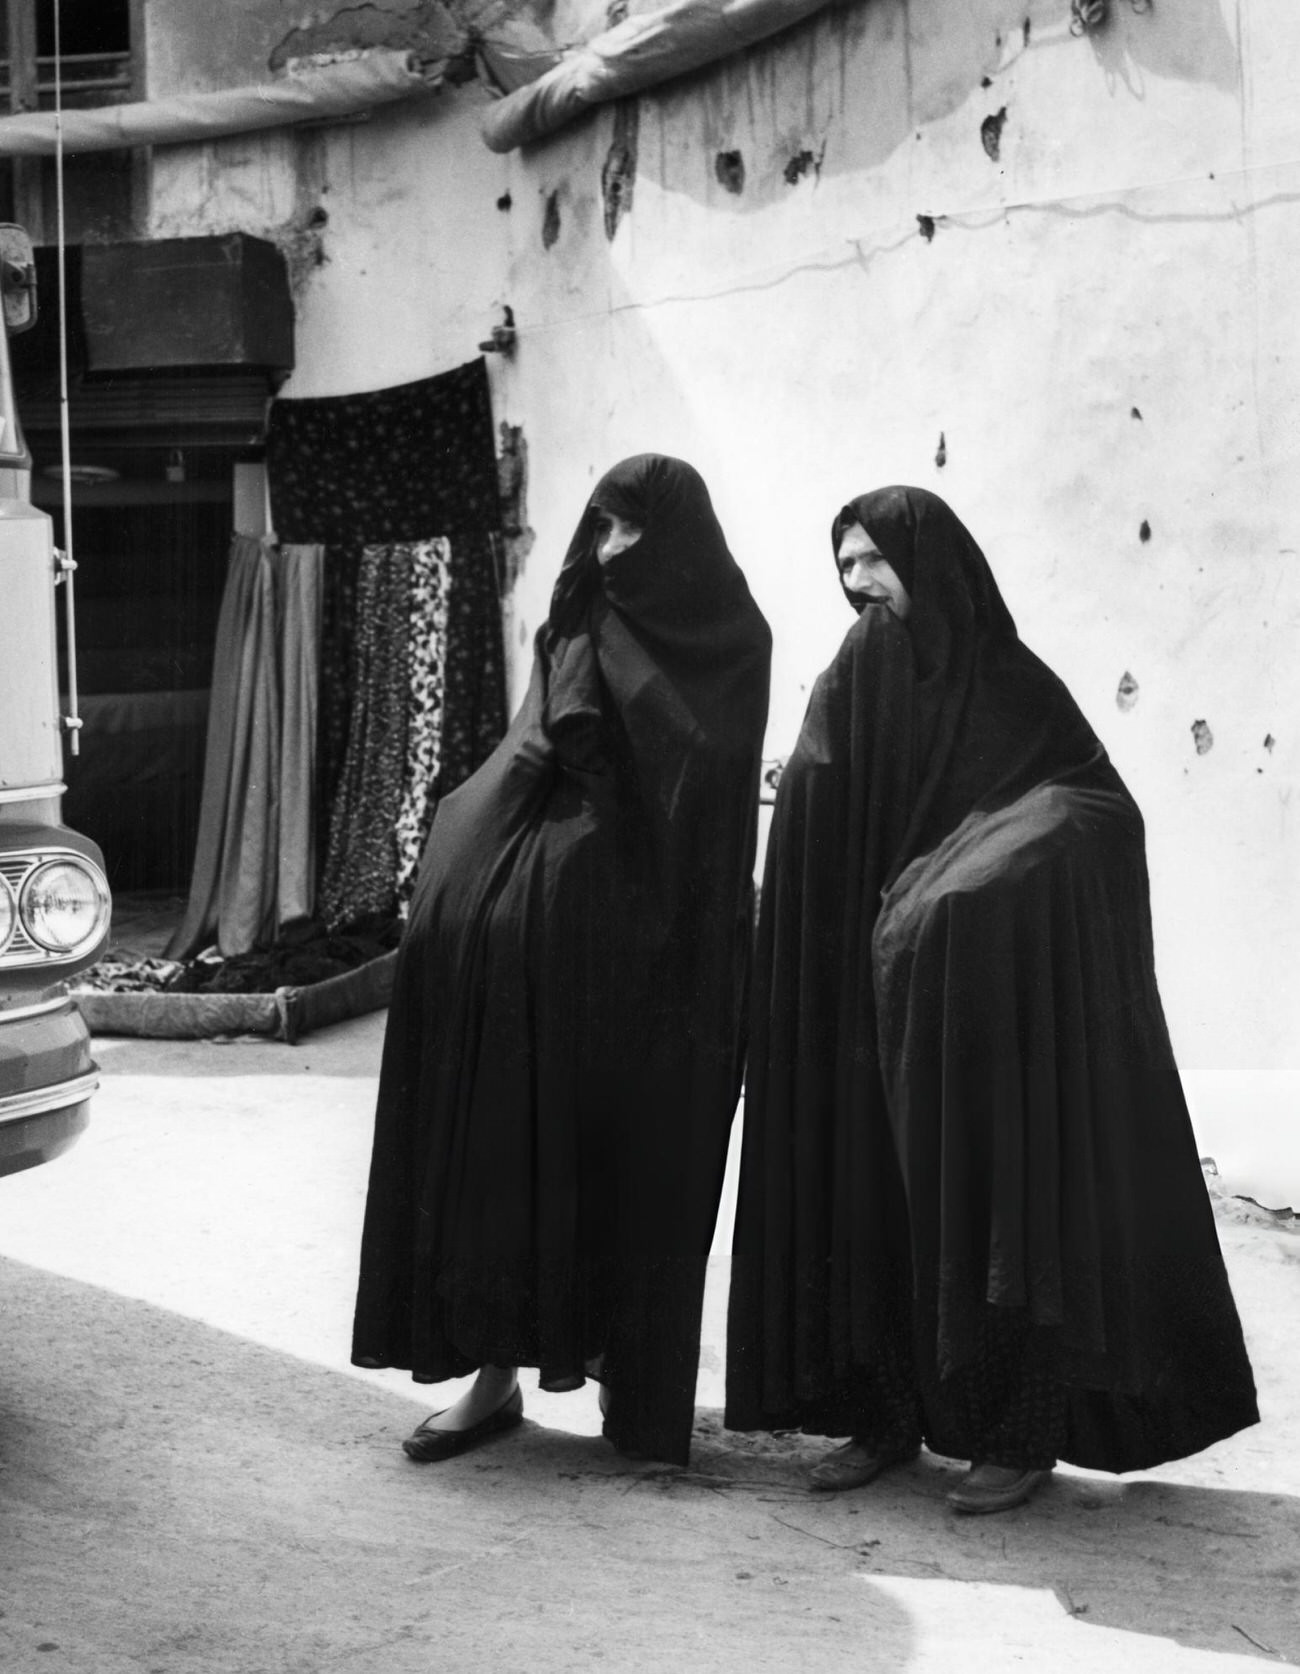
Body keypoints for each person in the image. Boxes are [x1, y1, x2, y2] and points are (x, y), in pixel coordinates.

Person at [725, 486, 1258, 1514]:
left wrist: (977, 885)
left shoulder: (1009, 684)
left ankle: (1015, 1435)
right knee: (867, 1208)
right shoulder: (858, 672)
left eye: (873, 561)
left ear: (933, 565)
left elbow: (1093, 805)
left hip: (981, 1007)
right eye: (844, 569)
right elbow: (819, 804)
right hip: (863, 1000)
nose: (858, 585)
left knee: (994, 1205)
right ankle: (875, 1420)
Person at [353, 454, 771, 1468]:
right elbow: (541, 745)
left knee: (632, 1153)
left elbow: (700, 788)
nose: (610, 549)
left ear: (678, 537)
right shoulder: (579, 618)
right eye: (600, 528)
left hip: (660, 942)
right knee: (509, 1150)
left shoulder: (729, 641)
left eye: (631, 530)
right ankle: (492, 1375)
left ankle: (632, 1376)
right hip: (536, 932)